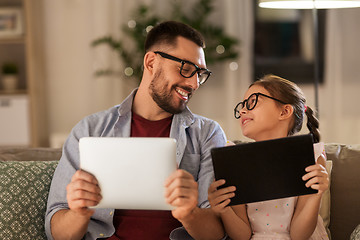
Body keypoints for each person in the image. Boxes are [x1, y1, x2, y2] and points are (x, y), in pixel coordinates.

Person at [45, 21, 227, 240]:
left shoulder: (208, 134)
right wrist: (79, 213)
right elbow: (56, 233)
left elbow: (217, 234)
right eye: (186, 69)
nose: (194, 83)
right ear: (151, 62)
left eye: (200, 74)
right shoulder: (89, 130)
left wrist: (189, 213)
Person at [208, 74, 329, 240]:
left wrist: (316, 196)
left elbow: (299, 235)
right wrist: (224, 209)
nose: (243, 110)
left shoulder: (312, 157)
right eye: (242, 106)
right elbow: (242, 235)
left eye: (252, 102)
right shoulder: (235, 160)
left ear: (285, 111)